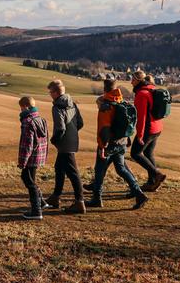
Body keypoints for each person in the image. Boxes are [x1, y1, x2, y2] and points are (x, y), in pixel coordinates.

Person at [84, 79, 149, 209]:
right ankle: (139, 194)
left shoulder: (106, 106)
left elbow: (104, 128)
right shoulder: (121, 101)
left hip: (109, 144)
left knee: (99, 171)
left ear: (104, 89)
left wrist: (102, 146)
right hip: (122, 142)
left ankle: (97, 199)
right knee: (121, 169)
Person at [44, 80, 86, 214]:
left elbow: (60, 128)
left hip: (64, 142)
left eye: (50, 92)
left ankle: (80, 202)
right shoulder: (72, 103)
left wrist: (54, 140)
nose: (50, 95)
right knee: (59, 168)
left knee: (73, 173)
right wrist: (72, 133)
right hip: (72, 140)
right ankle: (55, 197)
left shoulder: (57, 107)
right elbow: (80, 123)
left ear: (56, 92)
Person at [130, 71, 167, 192]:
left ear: (138, 81)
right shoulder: (151, 88)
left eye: (133, 80)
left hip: (148, 129)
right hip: (158, 127)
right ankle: (152, 182)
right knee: (148, 153)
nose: (131, 82)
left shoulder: (141, 94)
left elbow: (142, 117)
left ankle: (157, 175)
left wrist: (140, 135)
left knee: (135, 153)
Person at [17, 96, 49, 220]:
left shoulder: (27, 122)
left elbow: (27, 145)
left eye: (21, 108)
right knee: (31, 179)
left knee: (27, 179)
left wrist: (22, 162)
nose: (20, 110)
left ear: (25, 107)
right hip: (38, 155)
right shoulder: (41, 119)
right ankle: (41, 202)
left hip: (30, 157)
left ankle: (36, 210)